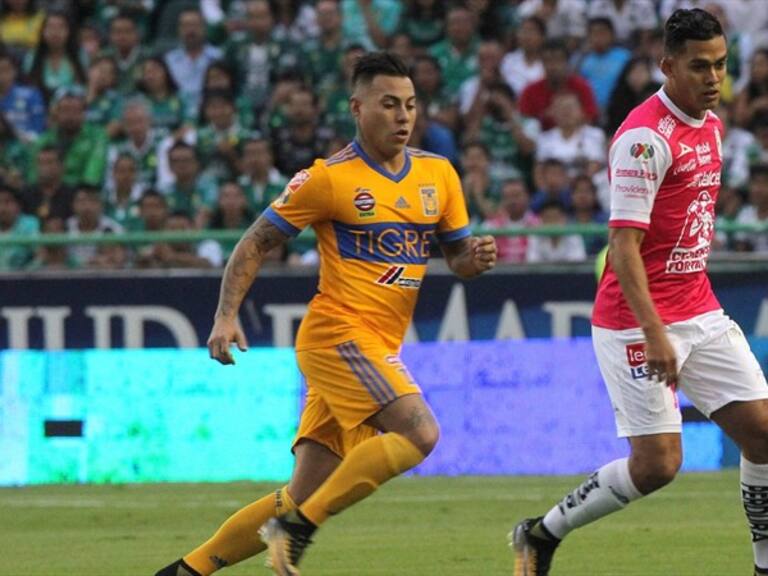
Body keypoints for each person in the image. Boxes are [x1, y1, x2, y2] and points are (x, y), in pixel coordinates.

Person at [155, 51, 497, 576]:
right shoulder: (328, 179)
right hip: (337, 336)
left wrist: (473, 259)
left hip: (377, 346)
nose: (403, 116)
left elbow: (456, 257)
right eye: (389, 104)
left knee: (300, 492)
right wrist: (226, 315)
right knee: (420, 433)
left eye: (409, 104)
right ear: (357, 108)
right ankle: (298, 533)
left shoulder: (439, 174)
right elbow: (255, 242)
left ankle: (188, 569)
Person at [510, 9, 768, 576]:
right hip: (636, 318)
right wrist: (655, 332)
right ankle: (540, 533)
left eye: (721, 65)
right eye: (699, 67)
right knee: (657, 465)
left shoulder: (713, 124)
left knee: (764, 436)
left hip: (699, 305)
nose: (713, 78)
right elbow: (624, 245)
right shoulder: (643, 139)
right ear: (667, 66)